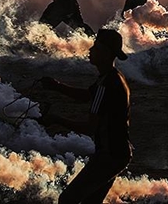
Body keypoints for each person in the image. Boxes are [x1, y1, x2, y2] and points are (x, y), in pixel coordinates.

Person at [39, 29, 132, 204]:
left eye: (95, 48)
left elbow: (90, 128)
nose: (90, 50)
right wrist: (56, 86)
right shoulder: (112, 77)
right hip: (119, 153)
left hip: (110, 154)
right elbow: (86, 96)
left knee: (67, 199)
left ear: (105, 53)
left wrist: (56, 120)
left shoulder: (106, 84)